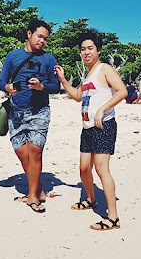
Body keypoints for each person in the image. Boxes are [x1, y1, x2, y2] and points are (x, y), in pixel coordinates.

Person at [54, 31, 127, 231]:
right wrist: (63, 80)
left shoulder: (105, 69)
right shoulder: (87, 75)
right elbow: (78, 96)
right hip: (87, 128)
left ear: (98, 50)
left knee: (102, 170)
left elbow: (122, 91)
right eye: (83, 49)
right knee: (84, 169)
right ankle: (91, 198)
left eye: (90, 48)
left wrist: (103, 109)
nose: (86, 52)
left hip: (103, 126)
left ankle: (113, 217)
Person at [0, 19, 60, 213]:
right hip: (16, 112)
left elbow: (56, 87)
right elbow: (1, 80)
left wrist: (42, 86)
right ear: (29, 34)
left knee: (35, 152)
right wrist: (7, 87)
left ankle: (33, 197)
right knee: (22, 154)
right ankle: (39, 190)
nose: (43, 41)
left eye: (46, 39)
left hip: (39, 111)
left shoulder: (49, 59)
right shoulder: (13, 56)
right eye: (40, 36)